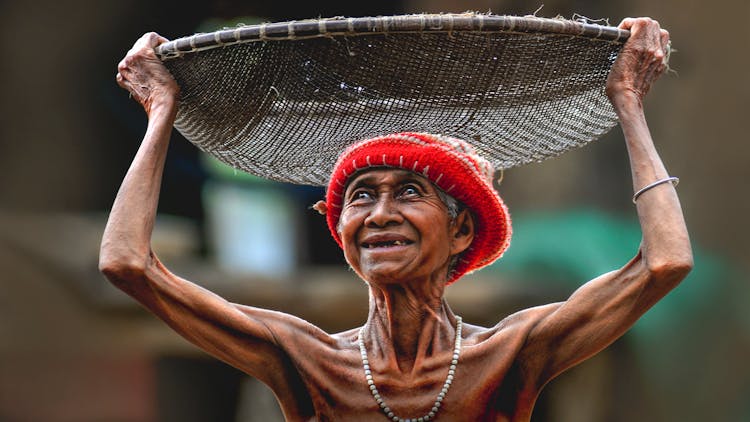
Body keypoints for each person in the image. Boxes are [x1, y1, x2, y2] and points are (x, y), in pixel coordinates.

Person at [100, 17, 692, 421]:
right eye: (360, 197)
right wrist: (161, 113)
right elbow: (127, 263)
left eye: (409, 192)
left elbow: (665, 262)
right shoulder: (307, 361)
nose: (380, 214)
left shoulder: (511, 355)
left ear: (461, 230)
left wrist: (628, 102)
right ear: (343, 234)